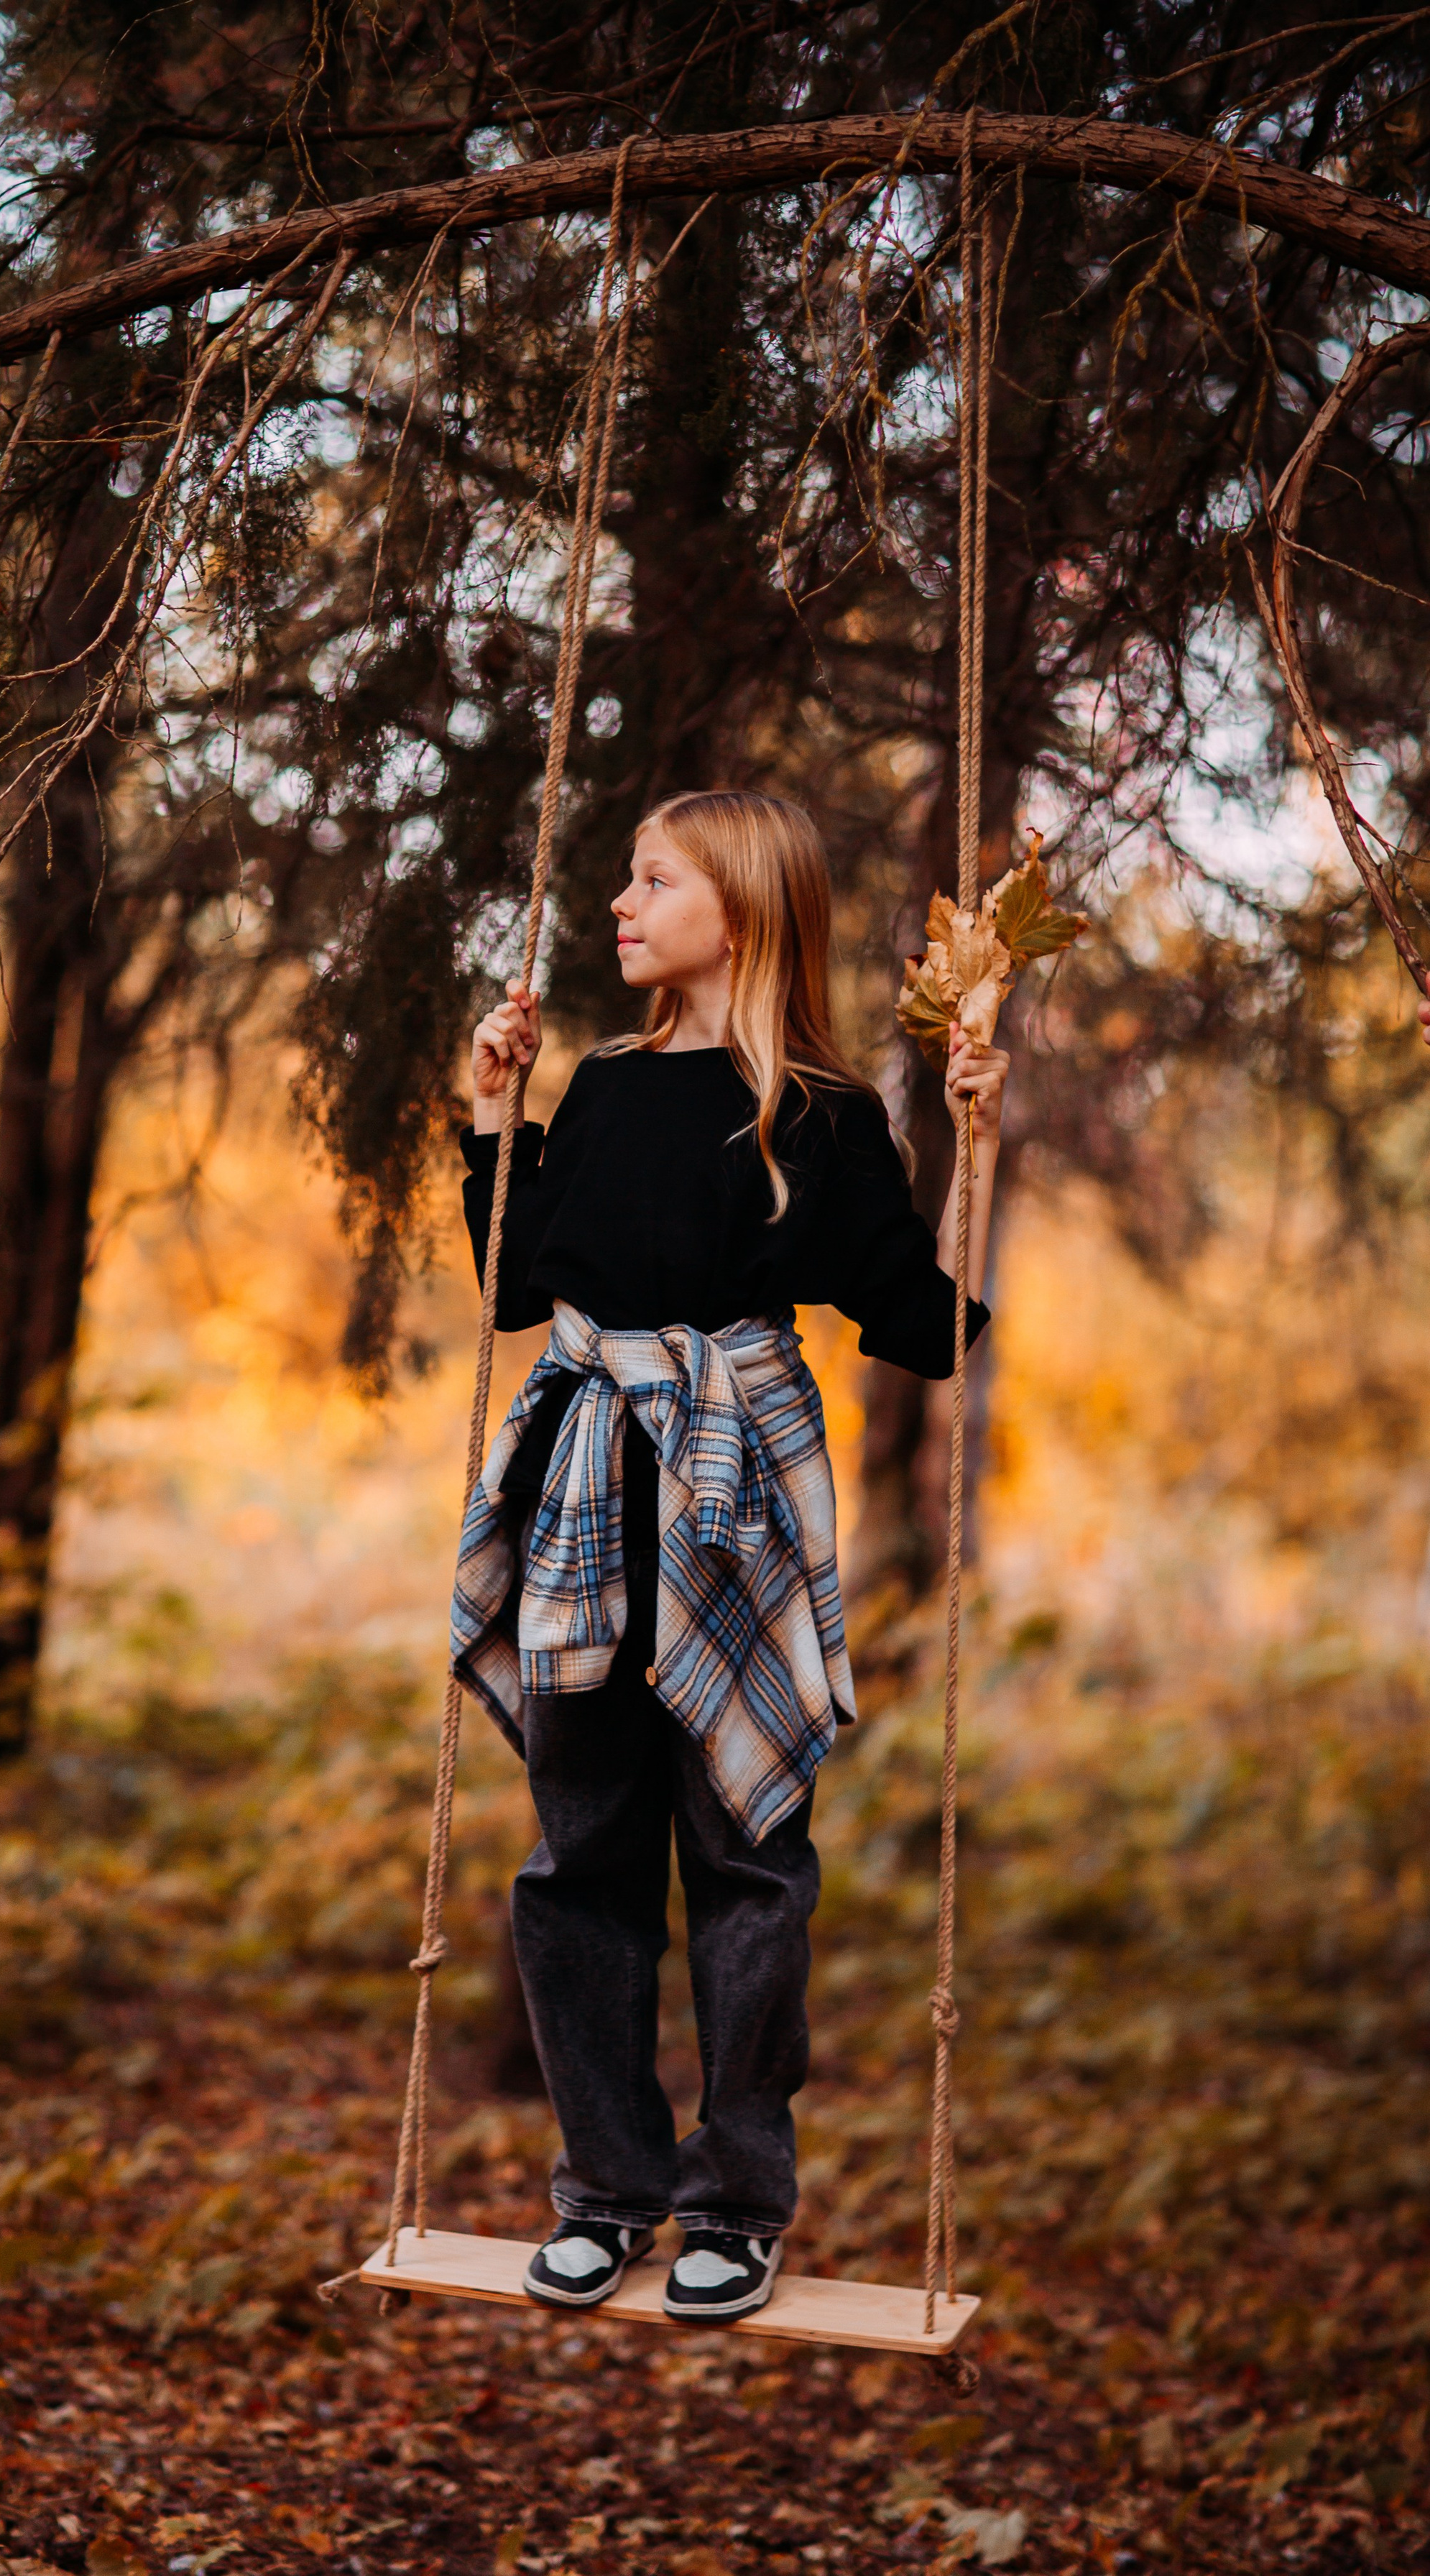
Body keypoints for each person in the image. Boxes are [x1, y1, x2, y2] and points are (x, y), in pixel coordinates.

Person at [450, 789, 1008, 2322]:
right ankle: (605, 2189)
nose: (618, 905)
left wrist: (972, 1148)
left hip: (734, 1502)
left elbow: (920, 1325)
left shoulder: (820, 1115)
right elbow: (513, 1290)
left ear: (742, 909)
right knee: (578, 1865)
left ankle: (735, 2205)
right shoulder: (603, 1083)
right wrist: (495, 1120)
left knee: (747, 1865)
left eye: (653, 881)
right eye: (625, 880)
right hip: (586, 1500)